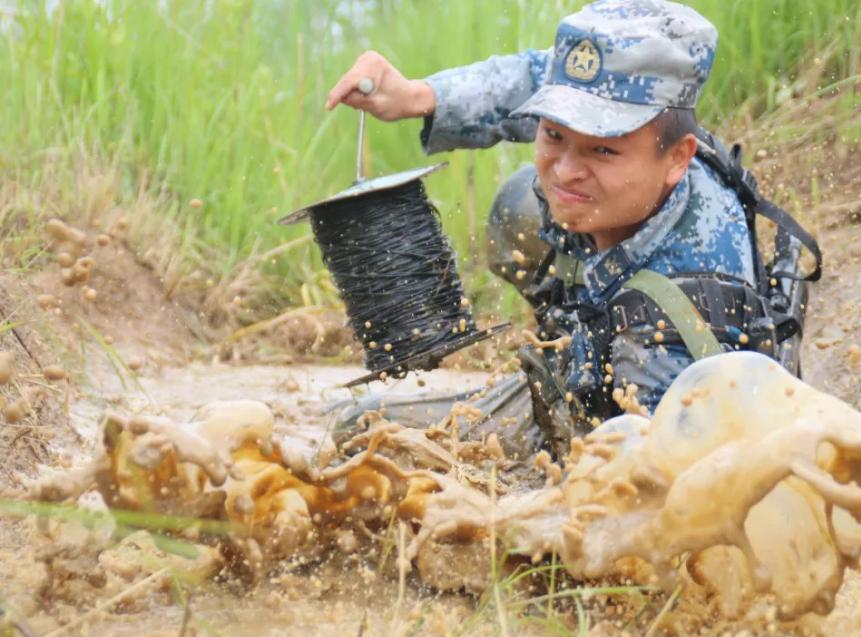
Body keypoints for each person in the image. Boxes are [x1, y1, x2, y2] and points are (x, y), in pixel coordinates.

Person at [324, 0, 818, 457]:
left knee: (366, 434)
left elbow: (658, 493)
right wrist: (418, 95)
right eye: (554, 135)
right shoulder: (651, 112)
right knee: (521, 206)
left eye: (602, 149)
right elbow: (535, 76)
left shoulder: (668, 331)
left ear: (677, 157)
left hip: (654, 392)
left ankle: (578, 406)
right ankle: (571, 342)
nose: (564, 170)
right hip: (613, 319)